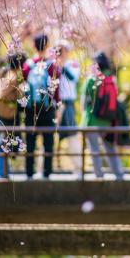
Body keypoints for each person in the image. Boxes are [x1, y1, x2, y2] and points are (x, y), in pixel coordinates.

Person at [80, 51, 124, 181]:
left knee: (94, 150)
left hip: (91, 121)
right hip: (108, 121)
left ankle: (99, 175)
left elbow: (83, 102)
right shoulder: (112, 79)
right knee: (110, 149)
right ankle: (119, 174)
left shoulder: (90, 80)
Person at [22, 34, 61, 180]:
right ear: (46, 46)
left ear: (34, 46)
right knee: (48, 143)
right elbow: (56, 90)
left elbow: (22, 86)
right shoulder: (52, 65)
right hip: (47, 109)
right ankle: (47, 173)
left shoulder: (28, 65)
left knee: (30, 143)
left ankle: (29, 173)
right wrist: (56, 107)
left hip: (31, 110)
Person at [0, 52, 26, 178]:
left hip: (3, 112)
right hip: (5, 114)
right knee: (3, 143)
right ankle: (1, 172)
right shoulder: (11, 76)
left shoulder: (6, 73)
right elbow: (3, 93)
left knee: (6, 144)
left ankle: (3, 171)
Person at [54, 41, 83, 179]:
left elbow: (73, 78)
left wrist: (62, 64)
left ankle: (78, 169)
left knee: (72, 136)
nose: (61, 52)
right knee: (50, 137)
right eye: (59, 49)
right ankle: (45, 169)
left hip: (68, 104)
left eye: (63, 49)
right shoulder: (51, 64)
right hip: (55, 105)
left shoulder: (73, 64)